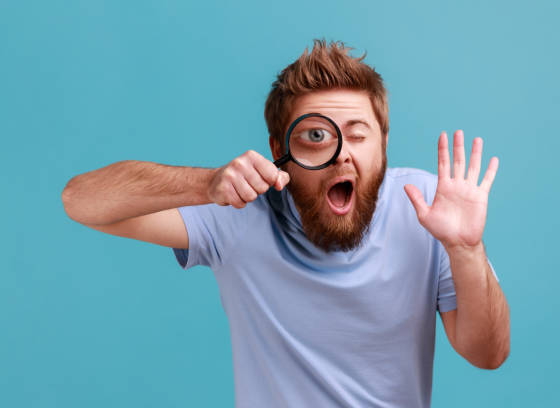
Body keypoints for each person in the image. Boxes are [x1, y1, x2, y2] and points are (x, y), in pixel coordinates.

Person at [62, 39, 510, 408]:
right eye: (316, 136)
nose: (343, 153)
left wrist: (466, 249)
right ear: (280, 148)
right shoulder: (238, 213)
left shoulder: (428, 209)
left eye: (357, 133)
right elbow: (80, 201)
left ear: (384, 142)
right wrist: (206, 183)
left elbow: (488, 354)